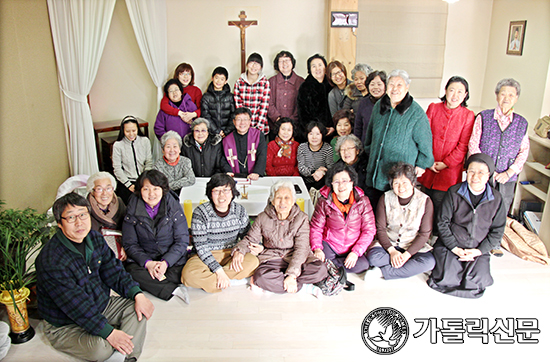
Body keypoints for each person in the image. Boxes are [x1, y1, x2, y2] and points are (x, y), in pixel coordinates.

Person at [36, 192, 154, 362]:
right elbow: (75, 305)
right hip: (65, 324)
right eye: (71, 218)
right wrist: (109, 333)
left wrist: (137, 293)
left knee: (138, 309)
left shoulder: (94, 237)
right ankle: (118, 348)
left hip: (100, 305)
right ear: (59, 224)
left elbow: (113, 270)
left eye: (83, 215)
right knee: (101, 349)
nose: (79, 222)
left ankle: (126, 358)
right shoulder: (52, 260)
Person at [428, 153, 507, 298]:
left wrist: (479, 251)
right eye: (471, 171)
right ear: (466, 172)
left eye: (481, 172)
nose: (475, 176)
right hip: (452, 245)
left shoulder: (496, 198)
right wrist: (454, 248)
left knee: (476, 282)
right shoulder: (454, 192)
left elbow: (497, 230)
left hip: (477, 247)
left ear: (488, 174)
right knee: (445, 279)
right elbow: (442, 222)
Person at [233, 181, 328, 294]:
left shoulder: (301, 218)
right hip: (272, 258)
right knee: (261, 277)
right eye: (278, 197)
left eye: (287, 197)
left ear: (293, 201)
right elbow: (250, 239)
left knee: (320, 270)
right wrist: (240, 250)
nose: (282, 202)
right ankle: (303, 287)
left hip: (296, 258)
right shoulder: (262, 218)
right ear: (272, 201)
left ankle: (282, 283)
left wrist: (292, 275)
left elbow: (301, 248)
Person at [364, 69, 434, 210]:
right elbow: (370, 133)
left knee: (391, 214)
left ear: (407, 87)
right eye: (391, 84)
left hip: (398, 179)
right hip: (375, 171)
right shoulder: (379, 106)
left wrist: (421, 165)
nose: (394, 89)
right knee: (373, 210)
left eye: (399, 85)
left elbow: (426, 147)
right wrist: (369, 150)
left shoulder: (416, 114)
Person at [181, 174, 260, 293]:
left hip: (231, 253)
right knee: (188, 275)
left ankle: (215, 281)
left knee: (253, 262)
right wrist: (219, 271)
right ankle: (226, 280)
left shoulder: (239, 211)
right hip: (205, 255)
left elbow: (247, 237)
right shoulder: (200, 213)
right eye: (216, 191)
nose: (222, 195)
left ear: (233, 192)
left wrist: (252, 247)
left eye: (226, 190)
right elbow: (201, 247)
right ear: (210, 194)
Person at [122, 170, 190, 303]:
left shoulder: (173, 205)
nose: (151, 194)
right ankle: (172, 289)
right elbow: (130, 244)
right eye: (146, 189)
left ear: (163, 189)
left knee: (185, 271)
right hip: (146, 259)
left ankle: (155, 281)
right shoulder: (132, 207)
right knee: (131, 272)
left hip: (171, 260)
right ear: (139, 190)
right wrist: (149, 263)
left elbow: (182, 241)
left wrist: (165, 262)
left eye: (155, 188)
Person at [419, 76, 475, 225]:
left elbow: (463, 145)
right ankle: (423, 234)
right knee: (424, 202)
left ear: (465, 95)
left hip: (449, 170)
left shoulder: (468, 115)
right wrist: (428, 160)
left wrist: (446, 163)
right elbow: (423, 135)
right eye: (452, 90)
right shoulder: (433, 108)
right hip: (428, 165)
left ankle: (437, 236)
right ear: (445, 90)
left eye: (460, 92)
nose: (455, 95)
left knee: (441, 205)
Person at [468, 78, 529, 215]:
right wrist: (487, 170)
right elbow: (473, 145)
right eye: (503, 94)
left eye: (511, 95)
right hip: (482, 175)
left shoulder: (522, 123)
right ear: (496, 96)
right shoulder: (483, 117)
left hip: (507, 178)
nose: (506, 98)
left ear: (516, 98)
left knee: (501, 212)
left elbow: (523, 152)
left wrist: (509, 173)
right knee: (477, 210)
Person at [367, 162, 435, 279]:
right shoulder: (385, 198)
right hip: (389, 244)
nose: (401, 187)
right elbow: (381, 228)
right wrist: (392, 252)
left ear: (413, 183)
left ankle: (382, 272)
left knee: (429, 262)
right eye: (396, 183)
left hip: (412, 246)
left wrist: (407, 255)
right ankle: (406, 269)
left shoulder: (425, 201)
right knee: (373, 257)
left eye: (405, 182)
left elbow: (424, 234)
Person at [310, 163, 376, 276]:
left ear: (352, 183)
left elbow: (369, 230)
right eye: (336, 182)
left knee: (363, 265)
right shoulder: (324, 201)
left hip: (353, 245)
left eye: (345, 181)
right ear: (331, 184)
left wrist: (356, 252)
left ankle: (330, 267)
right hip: (330, 244)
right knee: (318, 260)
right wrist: (317, 248)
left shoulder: (363, 201)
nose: (341, 185)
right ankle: (331, 267)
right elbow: (316, 228)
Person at [112, 115, 153, 205]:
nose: (131, 134)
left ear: (138, 129)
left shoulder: (145, 141)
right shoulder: (118, 145)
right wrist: (129, 185)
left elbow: (149, 162)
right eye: (127, 131)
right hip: (127, 182)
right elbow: (117, 169)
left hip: (144, 179)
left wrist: (144, 179)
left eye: (134, 130)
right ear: (123, 131)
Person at [87, 171, 127, 260]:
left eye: (108, 188)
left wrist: (126, 246)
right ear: (92, 191)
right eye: (99, 189)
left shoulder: (119, 203)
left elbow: (129, 228)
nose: (104, 193)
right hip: (97, 256)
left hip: (121, 254)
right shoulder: (85, 209)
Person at [267, 51, 305, 140]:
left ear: (292, 63)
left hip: (295, 127)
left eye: (287, 60)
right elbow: (268, 102)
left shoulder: (301, 81)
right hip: (275, 126)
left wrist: (292, 121)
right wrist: (278, 119)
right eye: (281, 61)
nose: (284, 63)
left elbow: (302, 104)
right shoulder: (271, 81)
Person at [296, 54, 334, 143]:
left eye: (320, 65)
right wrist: (316, 130)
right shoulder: (305, 87)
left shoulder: (332, 84)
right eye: (314, 66)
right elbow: (303, 114)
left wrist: (332, 127)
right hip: (312, 134)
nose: (317, 69)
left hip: (332, 132)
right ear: (309, 70)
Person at [222, 107, 267, 180]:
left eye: (245, 119)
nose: (242, 123)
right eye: (239, 119)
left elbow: (262, 155)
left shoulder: (258, 135)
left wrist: (257, 172)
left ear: (250, 121)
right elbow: (223, 158)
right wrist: (228, 171)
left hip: (254, 176)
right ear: (234, 122)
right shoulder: (227, 140)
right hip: (234, 177)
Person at [234, 52, 271, 135]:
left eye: (257, 64)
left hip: (260, 127)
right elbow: (239, 106)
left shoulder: (265, 82)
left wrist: (258, 128)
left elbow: (264, 106)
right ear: (247, 65)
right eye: (252, 63)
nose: (254, 66)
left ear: (261, 67)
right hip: (243, 127)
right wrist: (245, 126)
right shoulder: (239, 82)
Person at [153, 130, 195, 196]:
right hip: (166, 197)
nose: (172, 150)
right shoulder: (157, 166)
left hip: (185, 195)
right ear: (163, 150)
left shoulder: (186, 161)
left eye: (175, 146)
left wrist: (169, 185)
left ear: (179, 149)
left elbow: (191, 179)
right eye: (168, 147)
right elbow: (159, 187)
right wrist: (182, 181)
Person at [297, 122, 334, 190]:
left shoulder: (327, 148)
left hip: (322, 181)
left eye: (318, 134)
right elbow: (301, 168)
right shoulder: (302, 147)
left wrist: (322, 172)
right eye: (311, 134)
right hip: (305, 181)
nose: (314, 137)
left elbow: (330, 168)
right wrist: (314, 172)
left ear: (322, 135)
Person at [200, 66, 236, 137]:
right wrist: (217, 131)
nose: (218, 81)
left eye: (222, 79)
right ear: (212, 78)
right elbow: (205, 116)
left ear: (226, 81)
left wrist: (226, 132)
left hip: (228, 134)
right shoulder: (206, 97)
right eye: (216, 78)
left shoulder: (230, 97)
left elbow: (234, 115)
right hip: (211, 134)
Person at [354, 70, 387, 143]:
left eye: (379, 84)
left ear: (385, 86)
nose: (375, 87)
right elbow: (358, 128)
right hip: (366, 146)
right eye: (372, 84)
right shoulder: (363, 102)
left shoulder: (390, 103)